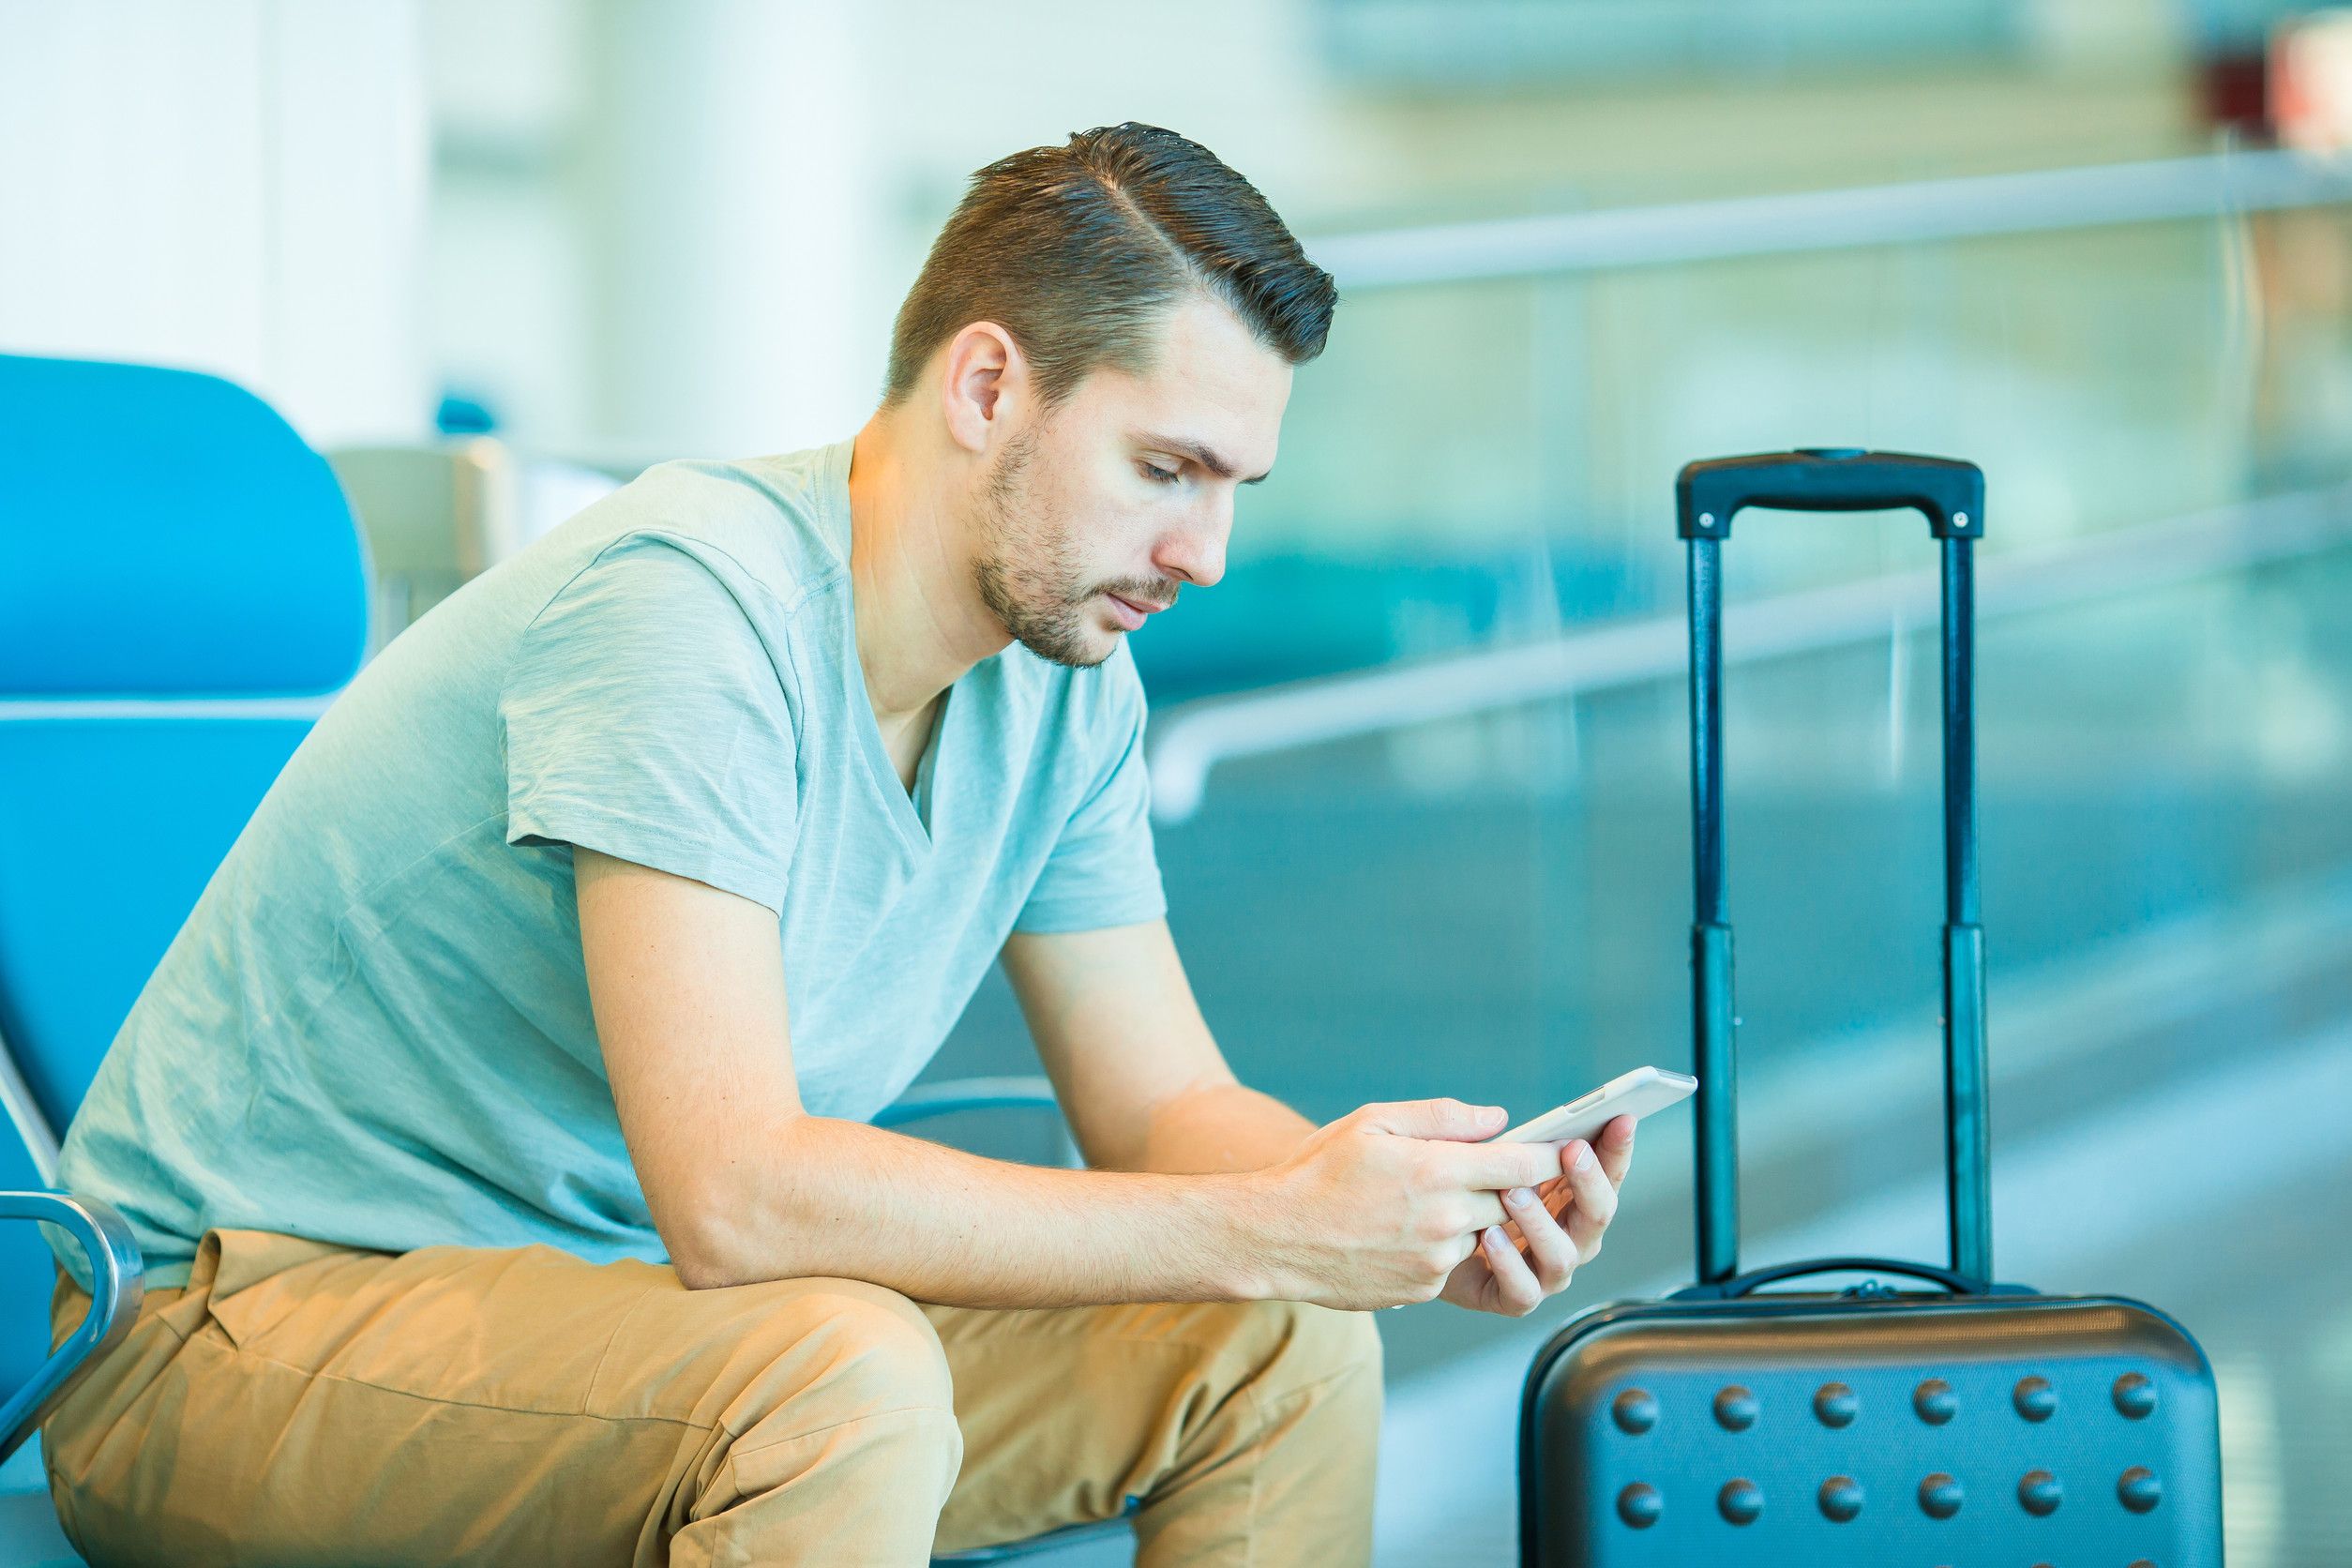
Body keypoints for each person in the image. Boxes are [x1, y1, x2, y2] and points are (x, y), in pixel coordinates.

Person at [40, 123, 1636, 1567]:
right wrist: (1267, 1228)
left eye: (1234, 491)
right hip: (231, 1337)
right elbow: (736, 1197)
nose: (1205, 554)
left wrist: (1394, 1214)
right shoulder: (690, 608)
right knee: (838, 1378)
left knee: (1281, 1345)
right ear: (989, 386)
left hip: (630, 1330)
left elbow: (1162, 1106)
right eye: (1167, 472)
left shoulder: (1064, 683)